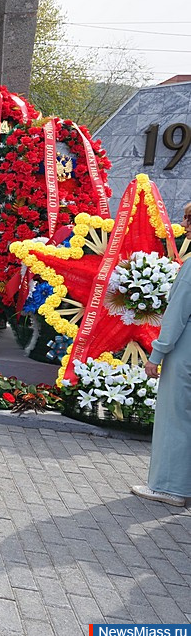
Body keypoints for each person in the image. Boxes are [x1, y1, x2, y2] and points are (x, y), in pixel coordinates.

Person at [131, 202, 191, 506]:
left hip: (185, 353)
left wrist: (156, 355)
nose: (186, 225)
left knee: (175, 418)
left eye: (190, 220)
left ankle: (170, 486)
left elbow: (177, 315)